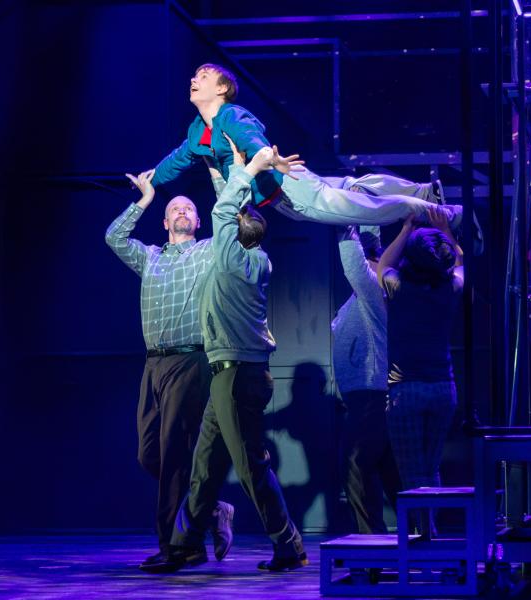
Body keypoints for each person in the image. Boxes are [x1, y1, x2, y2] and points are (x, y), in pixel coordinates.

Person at [141, 137, 307, 574]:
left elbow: (223, 213)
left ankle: (287, 543)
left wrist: (248, 170)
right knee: (205, 463)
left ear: (232, 236)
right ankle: (186, 542)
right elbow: (229, 210)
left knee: (251, 466)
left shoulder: (229, 257)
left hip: (236, 375)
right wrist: (223, 172)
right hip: (230, 373)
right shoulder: (255, 259)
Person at [148, 63, 466, 229]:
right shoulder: (197, 131)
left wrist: (272, 161)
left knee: (364, 210)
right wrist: (151, 178)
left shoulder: (230, 115)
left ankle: (445, 214)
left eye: (203, 76)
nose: (194, 79)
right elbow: (178, 159)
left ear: (222, 88)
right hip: (288, 185)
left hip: (289, 190)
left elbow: (254, 143)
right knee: (353, 187)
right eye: (194, 75)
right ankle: (425, 192)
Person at [105, 173, 234, 569]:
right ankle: (211, 509)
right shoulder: (150, 257)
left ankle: (177, 547)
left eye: (188, 209)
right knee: (150, 455)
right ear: (164, 222)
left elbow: (229, 218)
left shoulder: (208, 252)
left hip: (191, 360)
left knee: (175, 456)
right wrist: (145, 198)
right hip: (153, 363)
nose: (181, 211)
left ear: (197, 222)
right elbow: (114, 237)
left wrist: (220, 182)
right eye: (174, 208)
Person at [377, 210, 464, 533]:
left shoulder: (399, 288)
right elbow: (459, 262)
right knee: (430, 466)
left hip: (406, 391)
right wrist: (444, 230)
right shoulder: (450, 290)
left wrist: (405, 230)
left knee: (412, 471)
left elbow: (384, 265)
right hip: (443, 388)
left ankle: (424, 538)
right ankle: (430, 534)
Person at [333, 225, 401, 534]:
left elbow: (354, 264)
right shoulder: (364, 298)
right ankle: (406, 543)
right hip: (364, 397)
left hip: (371, 395)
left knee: (356, 468)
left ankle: (371, 545)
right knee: (387, 472)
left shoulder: (374, 291)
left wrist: (346, 224)